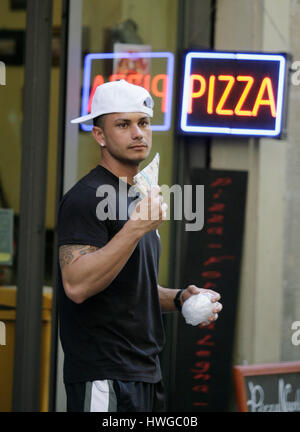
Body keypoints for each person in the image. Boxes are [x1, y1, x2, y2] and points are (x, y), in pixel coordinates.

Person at [57, 79, 222, 412]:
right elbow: (76, 284)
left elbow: (129, 287)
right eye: (123, 124)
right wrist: (134, 229)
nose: (138, 133)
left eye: (143, 122)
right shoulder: (85, 198)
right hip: (106, 374)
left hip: (146, 372)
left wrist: (178, 298)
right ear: (99, 135)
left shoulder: (136, 197)